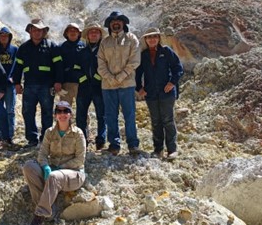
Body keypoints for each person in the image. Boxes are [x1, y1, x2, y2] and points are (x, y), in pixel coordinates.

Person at [22, 101, 86, 225]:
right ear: (55, 115)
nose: (62, 114)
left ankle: (39, 218)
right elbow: (42, 154)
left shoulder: (78, 133)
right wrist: (45, 166)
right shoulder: (49, 132)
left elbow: (80, 160)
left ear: (70, 114)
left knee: (54, 176)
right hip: (52, 171)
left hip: (74, 173)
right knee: (29, 166)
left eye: (65, 111)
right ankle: (49, 210)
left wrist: (60, 167)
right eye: (59, 111)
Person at [13, 19, 64, 147]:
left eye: (39, 30)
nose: (37, 32)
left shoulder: (52, 46)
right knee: (27, 112)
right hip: (29, 85)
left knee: (47, 112)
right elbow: (18, 67)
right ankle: (32, 139)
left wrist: (58, 81)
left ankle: (46, 139)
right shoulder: (23, 48)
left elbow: (59, 66)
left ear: (44, 32)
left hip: (47, 86)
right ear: (30, 31)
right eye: (34, 29)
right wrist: (17, 83)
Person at [135, 28, 184, 159]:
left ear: (158, 38)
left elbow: (178, 68)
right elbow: (137, 73)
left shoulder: (166, 51)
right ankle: (158, 150)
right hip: (151, 93)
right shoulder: (143, 55)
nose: (152, 39)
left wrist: (172, 83)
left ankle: (172, 150)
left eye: (154, 37)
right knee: (156, 121)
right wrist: (139, 88)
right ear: (145, 39)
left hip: (167, 92)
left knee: (168, 120)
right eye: (149, 37)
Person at [97, 11, 141, 156]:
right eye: (113, 21)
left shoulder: (132, 39)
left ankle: (133, 145)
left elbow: (135, 61)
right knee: (110, 115)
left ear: (123, 23)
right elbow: (101, 63)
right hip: (108, 86)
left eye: (118, 21)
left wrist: (120, 76)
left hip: (127, 84)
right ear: (109, 25)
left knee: (129, 115)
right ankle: (114, 144)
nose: (116, 23)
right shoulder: (104, 42)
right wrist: (110, 78)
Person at [76, 22, 107, 150]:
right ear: (87, 36)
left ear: (100, 35)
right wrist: (83, 79)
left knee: (102, 114)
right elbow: (76, 68)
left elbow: (107, 66)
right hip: (84, 88)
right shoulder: (81, 51)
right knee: (81, 115)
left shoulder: (104, 50)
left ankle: (101, 139)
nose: (94, 34)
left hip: (99, 87)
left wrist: (97, 78)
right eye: (91, 32)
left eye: (96, 32)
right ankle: (82, 139)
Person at [0, 27, 18, 150]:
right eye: (1, 36)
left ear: (10, 37)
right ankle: (0, 138)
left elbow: (17, 65)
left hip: (10, 86)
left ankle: (9, 138)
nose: (4, 38)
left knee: (10, 112)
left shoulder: (15, 50)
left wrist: (14, 79)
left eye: (6, 36)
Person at [58, 23, 85, 106]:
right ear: (66, 33)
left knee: (83, 110)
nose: (73, 32)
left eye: (75, 31)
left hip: (81, 84)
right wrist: (58, 82)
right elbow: (58, 66)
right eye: (70, 30)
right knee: (64, 109)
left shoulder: (84, 46)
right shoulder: (61, 47)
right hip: (66, 84)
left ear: (79, 33)